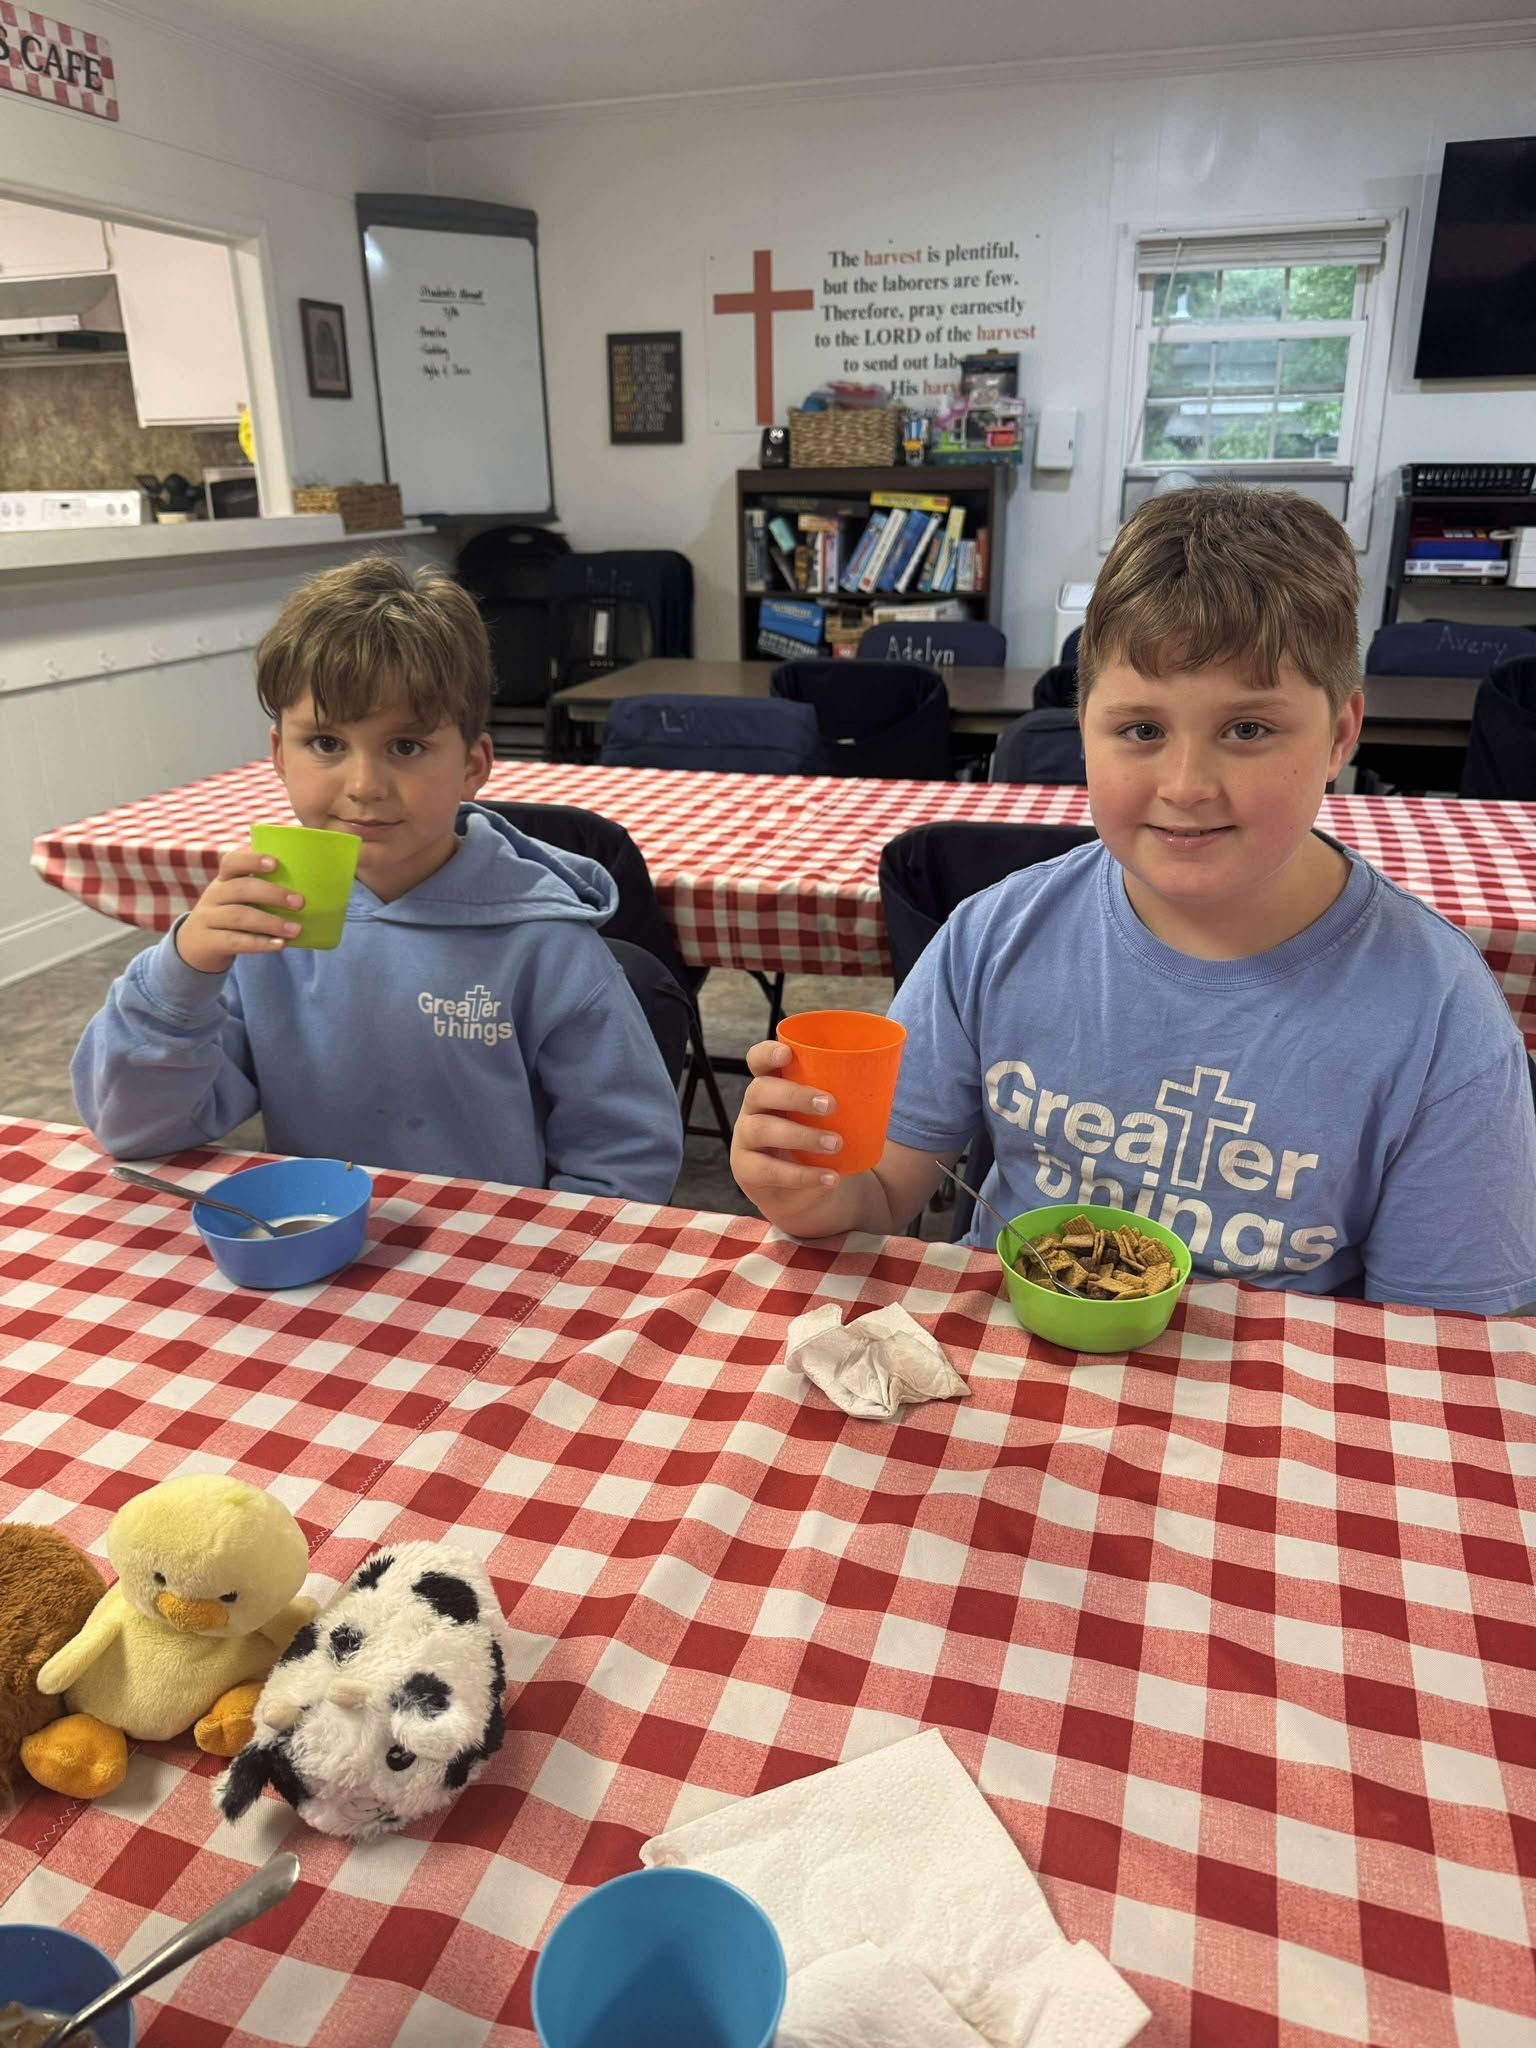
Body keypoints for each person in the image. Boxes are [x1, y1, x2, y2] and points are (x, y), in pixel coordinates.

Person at [732, 486, 1536, 1314]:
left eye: (1249, 729)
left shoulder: (1439, 1014)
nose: (1186, 786)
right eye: (1141, 731)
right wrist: (817, 1196)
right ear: (1082, 728)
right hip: (1010, 1392)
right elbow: (882, 1193)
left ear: (1339, 735)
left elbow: (1442, 1348)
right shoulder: (993, 938)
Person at [74, 555, 684, 1203]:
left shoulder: (549, 945)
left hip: (492, 1268)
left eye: (406, 747)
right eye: (327, 744)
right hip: (316, 1253)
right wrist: (182, 972)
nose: (363, 788)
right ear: (279, 755)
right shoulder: (268, 930)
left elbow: (625, 1158)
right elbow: (134, 1128)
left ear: (473, 764)